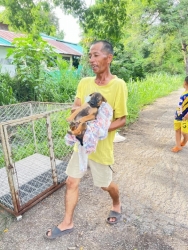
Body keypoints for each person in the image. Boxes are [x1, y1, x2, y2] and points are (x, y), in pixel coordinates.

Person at [44, 40, 128, 239]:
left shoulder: (118, 85)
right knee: (71, 182)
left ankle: (116, 203)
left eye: (96, 55)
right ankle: (67, 222)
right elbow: (76, 106)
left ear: (109, 58)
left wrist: (98, 129)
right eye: (90, 55)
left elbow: (122, 119)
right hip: (81, 144)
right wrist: (78, 118)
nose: (91, 59)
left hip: (101, 147)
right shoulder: (84, 83)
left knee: (105, 185)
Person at [171, 76, 188, 152]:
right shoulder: (184, 92)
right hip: (178, 116)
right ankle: (178, 146)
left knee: (184, 132)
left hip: (185, 117)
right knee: (177, 130)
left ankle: (185, 139)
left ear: (184, 83)